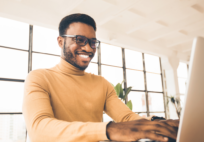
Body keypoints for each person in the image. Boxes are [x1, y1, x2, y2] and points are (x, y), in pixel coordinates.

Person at [22, 13, 179, 142]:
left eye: (92, 42)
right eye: (80, 40)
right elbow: (39, 129)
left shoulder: (101, 84)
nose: (88, 48)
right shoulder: (39, 78)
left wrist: (158, 123)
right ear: (60, 41)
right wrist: (108, 129)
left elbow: (126, 117)